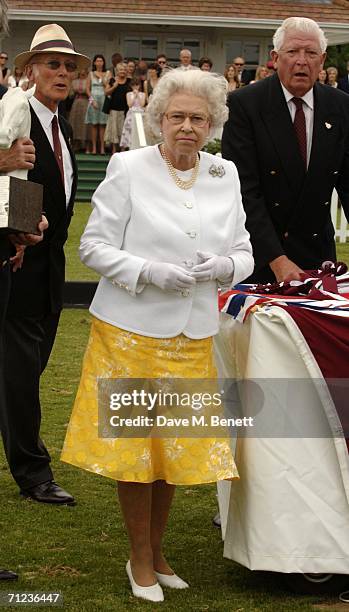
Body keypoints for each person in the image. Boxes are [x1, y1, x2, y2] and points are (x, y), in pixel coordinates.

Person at [61, 68, 253, 602]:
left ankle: (158, 549)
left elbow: (245, 251)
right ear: (159, 119)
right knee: (136, 452)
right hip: (131, 330)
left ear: (212, 123)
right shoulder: (127, 167)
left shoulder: (225, 173)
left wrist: (222, 265)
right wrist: (149, 272)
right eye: (177, 117)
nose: (187, 127)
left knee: (172, 452)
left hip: (193, 333)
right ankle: (139, 557)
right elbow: (93, 247)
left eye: (198, 118)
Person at [1, 23, 90, 505]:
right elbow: (15, 166)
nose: (61, 71)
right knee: (19, 379)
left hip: (49, 271)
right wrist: (18, 230)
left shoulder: (63, 126)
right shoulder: (16, 112)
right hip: (18, 265)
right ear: (30, 70)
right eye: (51, 64)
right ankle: (34, 473)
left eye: (68, 66)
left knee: (27, 373)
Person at [222, 16, 349, 284]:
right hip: (261, 257)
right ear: (276, 57)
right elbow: (245, 191)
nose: (302, 60)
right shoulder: (245, 105)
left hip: (318, 255)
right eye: (292, 52)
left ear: (322, 60)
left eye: (311, 53)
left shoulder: (341, 107)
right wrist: (277, 259)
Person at [104, 62, 131, 153]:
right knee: (114, 131)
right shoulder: (112, 80)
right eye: (120, 70)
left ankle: (123, 151)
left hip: (125, 111)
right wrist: (114, 87)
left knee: (123, 131)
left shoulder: (129, 81)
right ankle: (114, 151)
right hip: (114, 110)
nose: (122, 71)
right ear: (117, 71)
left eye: (124, 70)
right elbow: (106, 92)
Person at [85, 54, 108, 155]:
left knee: (102, 125)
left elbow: (108, 87)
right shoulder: (90, 74)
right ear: (94, 63)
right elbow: (87, 89)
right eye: (97, 61)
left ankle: (102, 148)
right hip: (93, 100)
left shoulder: (108, 73)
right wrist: (91, 101)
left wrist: (101, 78)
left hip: (104, 99)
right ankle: (94, 148)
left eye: (101, 61)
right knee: (94, 125)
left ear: (104, 63)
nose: (99, 63)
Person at [120, 77, 145, 149]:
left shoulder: (142, 94)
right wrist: (134, 96)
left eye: (137, 85)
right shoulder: (128, 94)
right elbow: (129, 105)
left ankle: (140, 147)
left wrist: (138, 95)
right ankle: (127, 147)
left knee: (140, 130)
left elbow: (142, 104)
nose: (135, 87)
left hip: (140, 113)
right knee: (129, 129)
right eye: (133, 85)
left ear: (139, 85)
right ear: (131, 86)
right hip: (131, 113)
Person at [69, 68, 90, 152]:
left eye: (84, 70)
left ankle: (86, 145)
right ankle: (76, 144)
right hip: (76, 102)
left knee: (85, 123)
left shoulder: (88, 81)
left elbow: (90, 93)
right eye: (81, 70)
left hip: (86, 103)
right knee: (75, 122)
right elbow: (70, 94)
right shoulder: (74, 81)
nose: (82, 71)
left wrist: (92, 102)